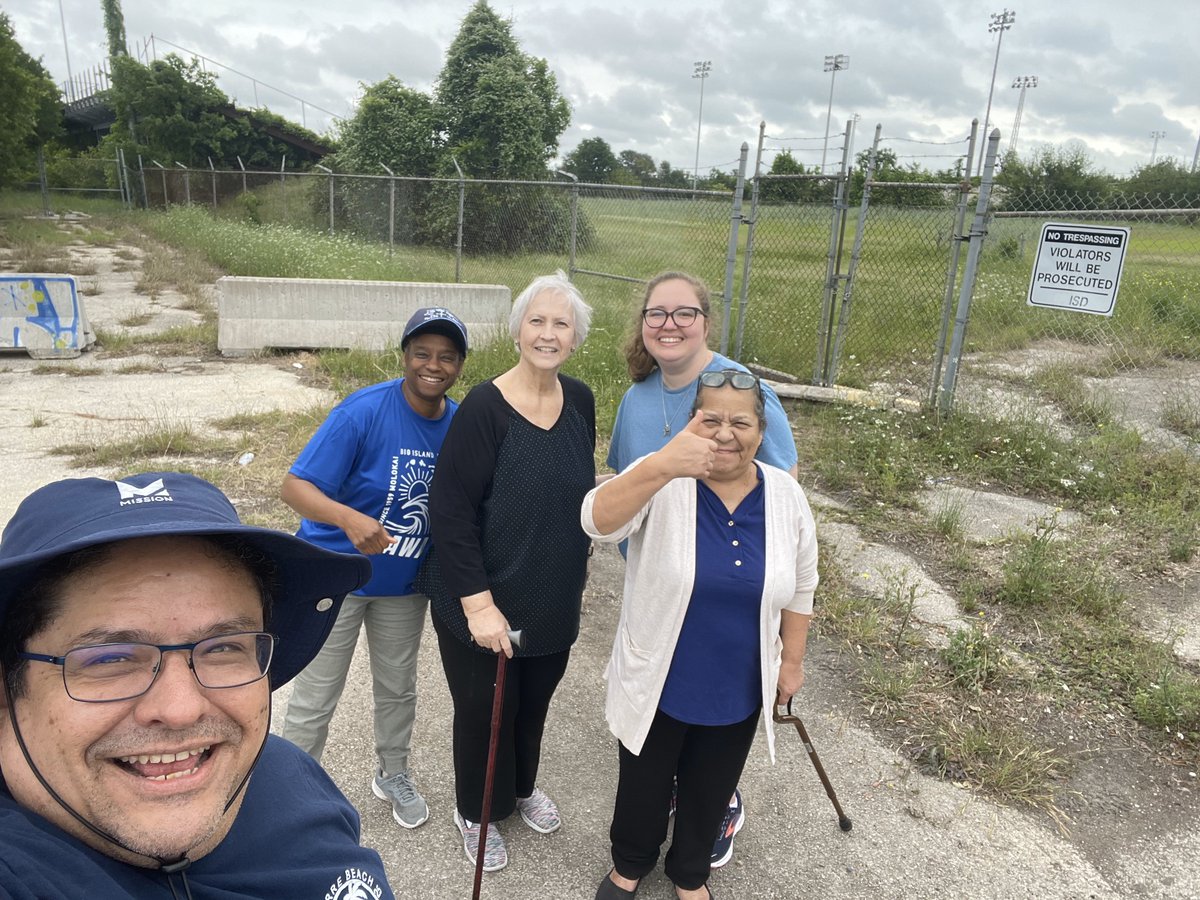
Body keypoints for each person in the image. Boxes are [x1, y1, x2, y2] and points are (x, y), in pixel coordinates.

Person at [0, 471, 395, 899]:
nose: (181, 709)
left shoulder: (288, 772)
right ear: (6, 687)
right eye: (110, 658)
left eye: (223, 648)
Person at [582, 370, 818, 900]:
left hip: (738, 681)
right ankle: (630, 865)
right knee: (643, 782)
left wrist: (793, 661)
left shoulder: (785, 496)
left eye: (741, 422)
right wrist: (663, 463)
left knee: (710, 787)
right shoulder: (664, 476)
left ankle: (691, 874)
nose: (726, 434)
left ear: (762, 430)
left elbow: (803, 583)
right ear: (692, 421)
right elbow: (597, 524)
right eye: (711, 419)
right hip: (660, 675)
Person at [606, 270, 800, 867]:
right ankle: (652, 815)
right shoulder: (637, 398)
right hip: (659, 582)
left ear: (705, 322)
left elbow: (782, 485)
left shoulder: (743, 388)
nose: (669, 324)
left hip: (730, 584)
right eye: (656, 313)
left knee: (720, 704)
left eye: (683, 313)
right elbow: (616, 482)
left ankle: (716, 804)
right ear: (643, 325)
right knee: (660, 709)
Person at [418, 271, 595, 874]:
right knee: (484, 709)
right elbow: (451, 513)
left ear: (575, 338)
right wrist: (477, 604)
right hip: (483, 597)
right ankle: (477, 811)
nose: (548, 333)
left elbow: (578, 496)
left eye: (561, 323)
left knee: (531, 704)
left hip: (551, 596)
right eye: (537, 321)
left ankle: (518, 791)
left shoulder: (583, 401)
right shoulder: (484, 409)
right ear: (518, 330)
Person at [280, 306, 468, 831]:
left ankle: (393, 772)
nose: (433, 365)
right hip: (336, 574)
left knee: (397, 687)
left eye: (446, 357)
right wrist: (347, 518)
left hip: (402, 585)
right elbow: (294, 487)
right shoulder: (361, 412)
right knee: (316, 693)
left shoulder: (459, 425)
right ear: (405, 356)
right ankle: (287, 790)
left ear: (459, 366)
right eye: (423, 353)